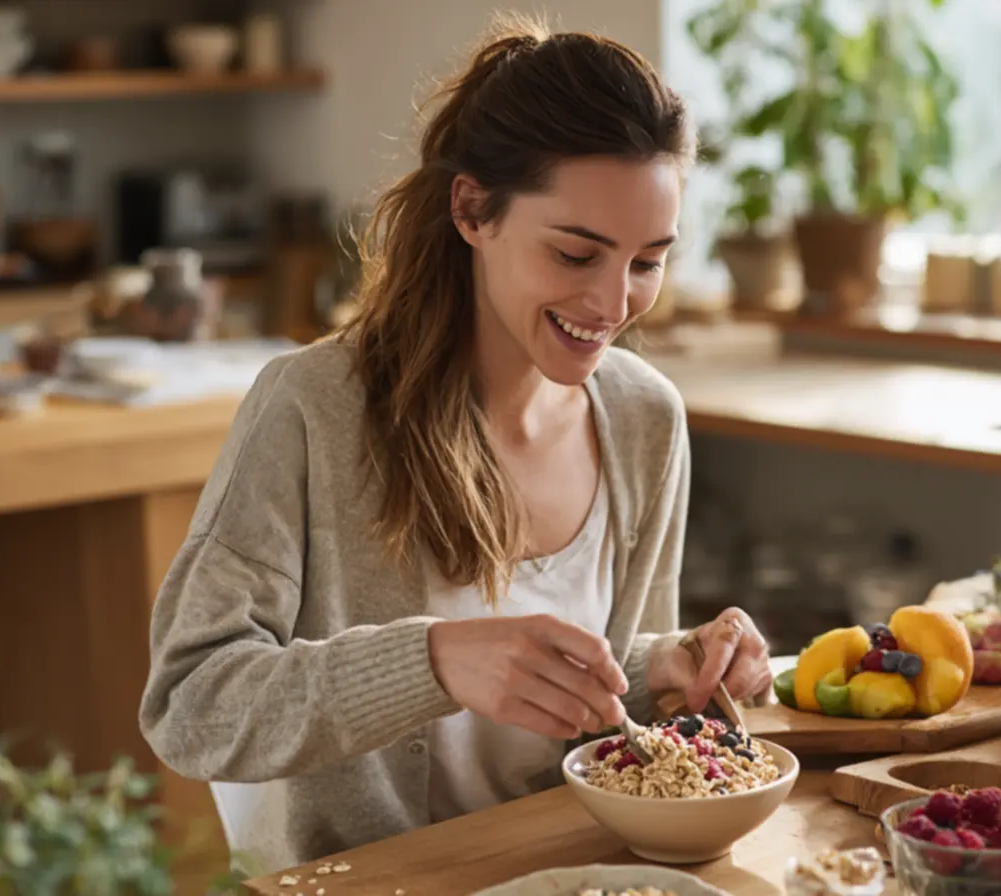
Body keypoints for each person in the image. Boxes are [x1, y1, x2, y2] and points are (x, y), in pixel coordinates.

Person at [139, 16, 773, 872]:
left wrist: (668, 666)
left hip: (573, 873)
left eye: (648, 261)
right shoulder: (315, 409)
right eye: (576, 252)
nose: (614, 302)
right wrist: (432, 660)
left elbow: (608, 720)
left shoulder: (644, 419)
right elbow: (189, 707)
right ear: (472, 210)